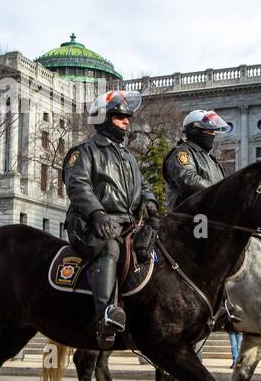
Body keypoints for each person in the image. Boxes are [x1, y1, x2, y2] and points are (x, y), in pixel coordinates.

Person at [62, 89, 158, 348]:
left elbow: (143, 184)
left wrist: (150, 202)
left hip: (126, 223)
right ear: (103, 118)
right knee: (110, 245)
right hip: (89, 224)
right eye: (119, 116)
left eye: (127, 117)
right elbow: (77, 186)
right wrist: (97, 214)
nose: (127, 121)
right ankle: (105, 315)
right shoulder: (83, 151)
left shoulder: (128, 157)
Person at [163, 109, 229, 208]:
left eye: (214, 132)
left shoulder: (210, 158)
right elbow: (189, 179)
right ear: (195, 131)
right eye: (209, 131)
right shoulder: (182, 152)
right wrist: (218, 191)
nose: (213, 135)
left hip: (212, 213)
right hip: (188, 215)